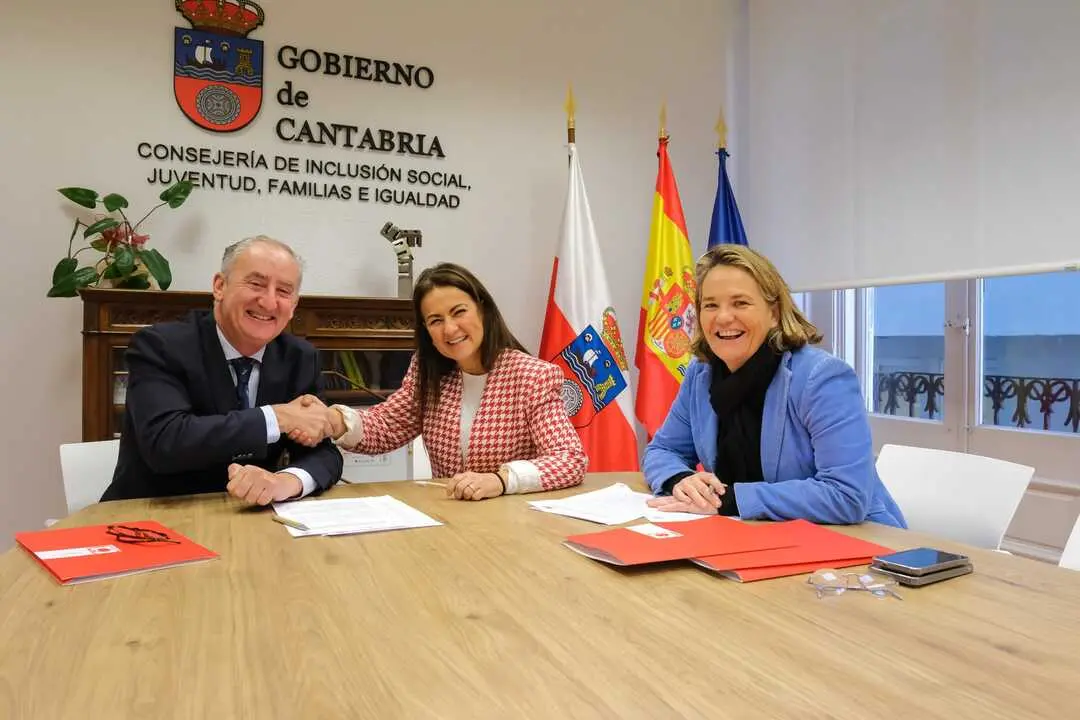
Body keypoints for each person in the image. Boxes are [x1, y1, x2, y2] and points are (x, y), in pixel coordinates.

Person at [644, 244, 906, 527]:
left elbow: (846, 496)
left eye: (740, 303)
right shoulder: (700, 374)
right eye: (710, 305)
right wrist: (680, 480)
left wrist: (731, 500)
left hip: (858, 539)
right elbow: (663, 450)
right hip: (748, 533)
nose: (723, 317)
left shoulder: (822, 377)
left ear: (774, 313)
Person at [292, 262, 586, 500]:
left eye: (459, 312)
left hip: (515, 522)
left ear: (483, 310)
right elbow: (387, 426)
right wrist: (333, 420)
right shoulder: (429, 372)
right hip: (450, 519)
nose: (450, 329)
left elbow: (569, 459)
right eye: (435, 320)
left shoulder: (533, 375)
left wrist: (500, 480)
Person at [102, 236, 343, 504]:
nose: (269, 302)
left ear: (294, 306)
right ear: (220, 286)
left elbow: (324, 453)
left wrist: (287, 481)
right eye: (256, 284)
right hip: (152, 513)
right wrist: (276, 418)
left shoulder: (300, 358)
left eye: (284, 291)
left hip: (251, 516)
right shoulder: (161, 346)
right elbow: (165, 442)